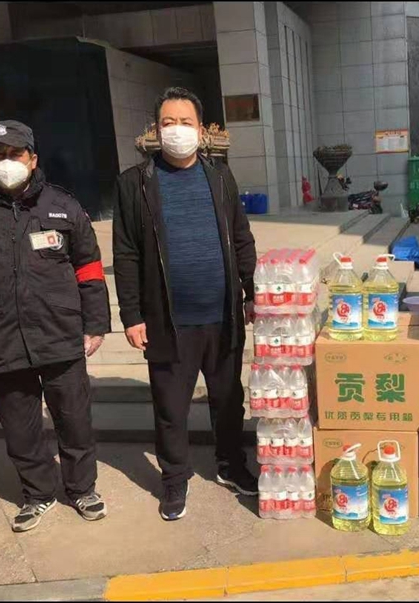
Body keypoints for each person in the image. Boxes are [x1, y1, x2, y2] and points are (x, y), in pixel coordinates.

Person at [0, 120, 111, 532]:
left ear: (32, 159)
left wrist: (96, 324)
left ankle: (82, 489)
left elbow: (89, 268)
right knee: (20, 428)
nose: (7, 162)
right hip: (0, 338)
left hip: (60, 334)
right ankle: (38, 494)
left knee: (74, 420)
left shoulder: (63, 206)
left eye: (15, 154)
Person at [112, 87, 258, 521]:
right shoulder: (134, 183)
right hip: (168, 321)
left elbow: (241, 237)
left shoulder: (220, 177)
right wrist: (132, 315)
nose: (177, 130)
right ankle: (175, 478)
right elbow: (126, 253)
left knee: (228, 400)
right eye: (168, 123)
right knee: (171, 409)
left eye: (185, 122)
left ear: (201, 129)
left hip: (223, 316)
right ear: (156, 130)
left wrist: (252, 292)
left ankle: (231, 464)